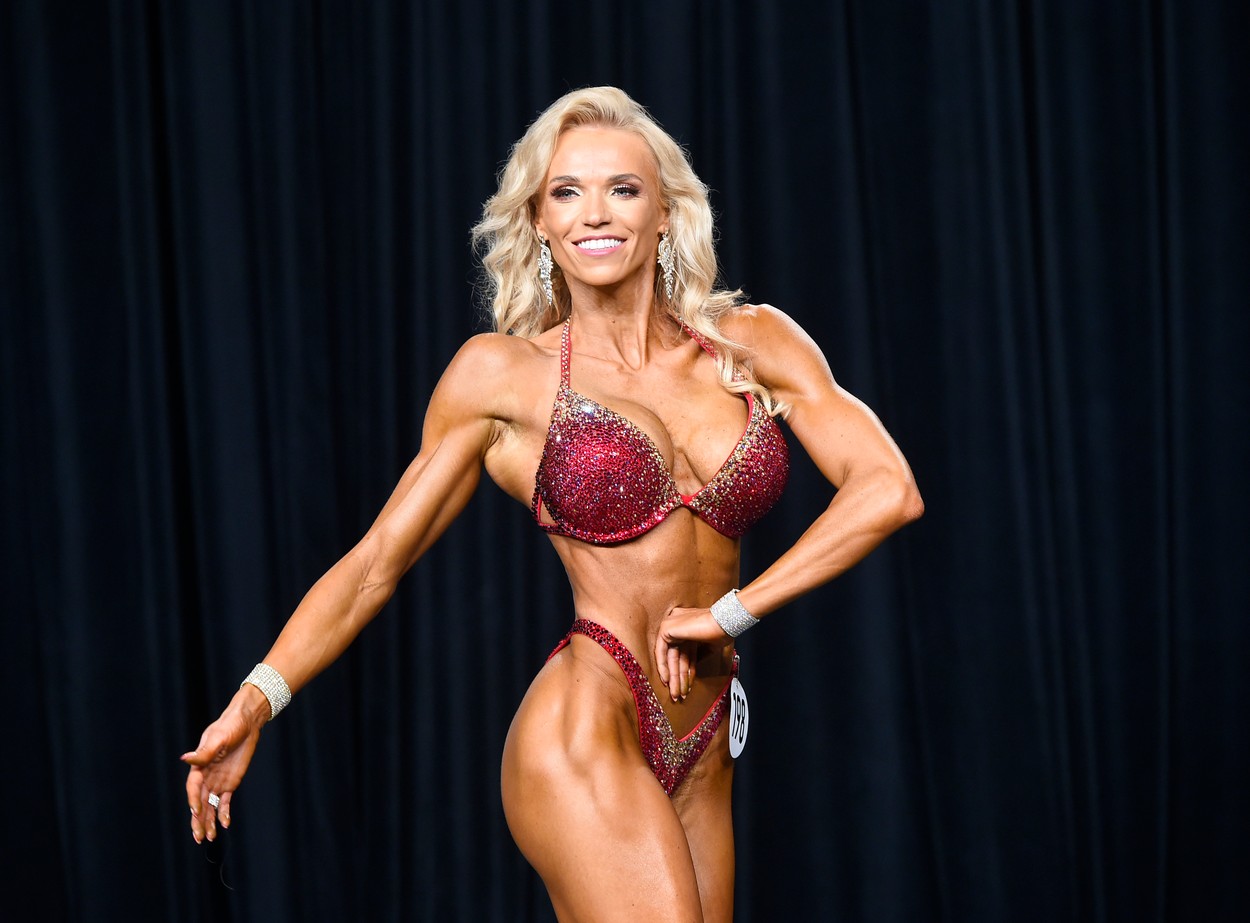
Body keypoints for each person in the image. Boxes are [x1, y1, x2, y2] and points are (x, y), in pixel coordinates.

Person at [182, 86, 923, 922]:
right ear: (538, 220)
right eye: (566, 192)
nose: (593, 213)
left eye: (623, 189)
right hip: (585, 720)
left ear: (664, 213)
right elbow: (374, 564)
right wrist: (254, 701)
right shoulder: (504, 377)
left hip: (705, 733)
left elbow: (888, 489)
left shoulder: (749, 344)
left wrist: (734, 611)